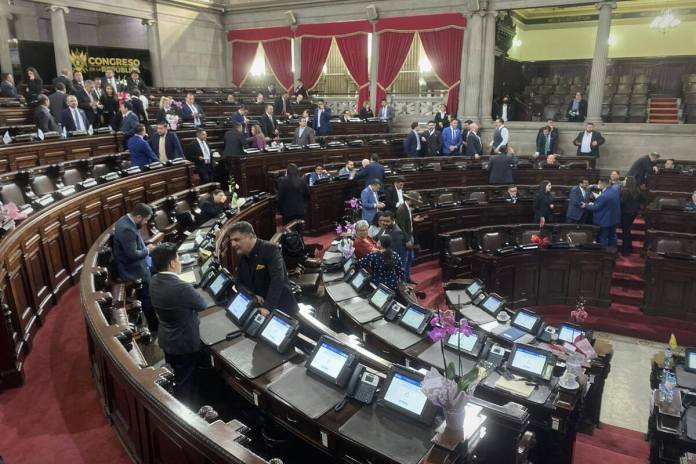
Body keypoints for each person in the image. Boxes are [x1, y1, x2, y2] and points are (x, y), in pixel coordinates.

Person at [149, 242, 207, 404]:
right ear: (172, 263)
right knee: (184, 382)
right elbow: (202, 304)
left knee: (176, 375)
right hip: (184, 343)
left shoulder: (153, 280)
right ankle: (183, 412)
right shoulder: (180, 287)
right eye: (178, 259)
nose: (180, 262)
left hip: (167, 339)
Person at [229, 221, 299, 315]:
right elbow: (238, 283)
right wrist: (252, 296)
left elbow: (277, 279)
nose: (233, 244)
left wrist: (267, 307)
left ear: (250, 236)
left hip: (281, 309)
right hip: (259, 308)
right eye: (231, 241)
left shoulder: (270, 250)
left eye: (237, 240)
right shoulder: (242, 256)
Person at [113, 203, 157, 332]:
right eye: (145, 220)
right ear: (138, 216)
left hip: (135, 263)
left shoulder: (126, 220)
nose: (145, 223)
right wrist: (147, 250)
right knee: (147, 294)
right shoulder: (127, 229)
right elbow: (132, 255)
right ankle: (154, 325)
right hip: (132, 269)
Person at [582, 177, 620, 249]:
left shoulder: (603, 196)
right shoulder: (615, 190)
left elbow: (596, 207)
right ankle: (613, 252)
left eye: (599, 183)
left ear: (603, 184)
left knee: (603, 237)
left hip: (604, 220)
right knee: (613, 236)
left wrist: (586, 205)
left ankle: (604, 254)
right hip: (614, 218)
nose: (598, 185)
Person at [396, 191, 424, 284]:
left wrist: (414, 220)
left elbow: (406, 221)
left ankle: (407, 278)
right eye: (415, 200)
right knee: (404, 261)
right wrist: (407, 239)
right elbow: (401, 226)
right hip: (405, 238)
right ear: (411, 200)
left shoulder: (407, 208)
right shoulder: (402, 209)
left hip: (409, 236)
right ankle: (403, 282)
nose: (416, 203)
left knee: (410, 259)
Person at [619, 176, 644, 255]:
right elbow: (642, 201)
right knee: (628, 230)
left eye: (625, 180)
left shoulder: (625, 191)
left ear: (628, 181)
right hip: (633, 213)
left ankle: (625, 251)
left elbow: (621, 203)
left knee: (625, 232)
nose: (624, 181)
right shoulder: (637, 190)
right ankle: (629, 249)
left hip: (626, 213)